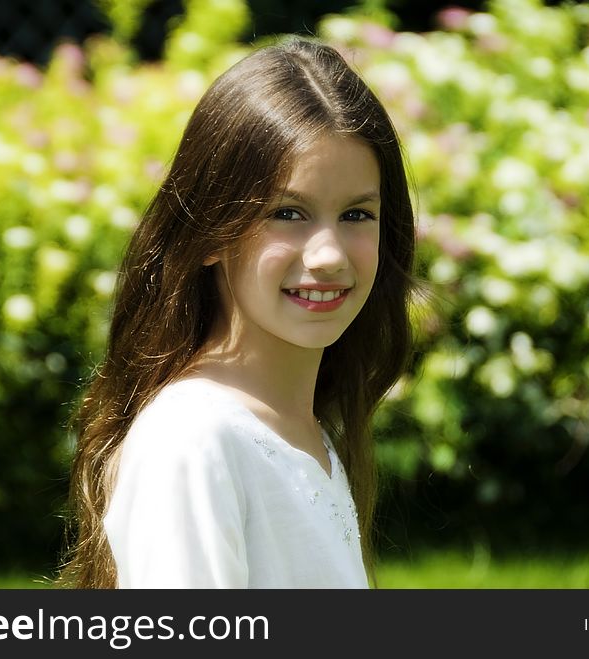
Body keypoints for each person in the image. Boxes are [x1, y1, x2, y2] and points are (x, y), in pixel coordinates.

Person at [59, 36, 416, 588]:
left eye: (356, 215)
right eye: (288, 212)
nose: (328, 255)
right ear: (207, 234)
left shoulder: (304, 433)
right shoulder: (195, 440)